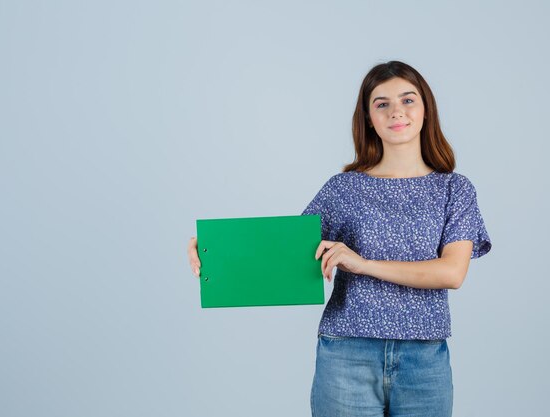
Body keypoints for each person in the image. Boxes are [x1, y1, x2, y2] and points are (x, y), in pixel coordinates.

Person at [187, 60, 492, 417]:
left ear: (426, 110)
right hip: (347, 354)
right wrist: (215, 251)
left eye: (408, 100)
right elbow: (284, 255)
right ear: (368, 118)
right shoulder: (343, 188)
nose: (397, 111)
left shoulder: (454, 189)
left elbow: (451, 273)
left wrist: (362, 264)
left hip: (424, 358)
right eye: (382, 103)